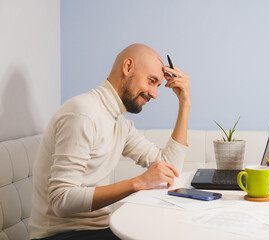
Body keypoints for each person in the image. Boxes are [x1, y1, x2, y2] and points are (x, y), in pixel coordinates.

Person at [29, 44, 191, 240]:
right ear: (128, 67)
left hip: (99, 230)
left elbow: (170, 169)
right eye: (151, 81)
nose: (154, 94)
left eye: (157, 85)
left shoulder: (119, 123)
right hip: (62, 235)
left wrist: (184, 103)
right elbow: (61, 200)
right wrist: (138, 183)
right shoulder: (83, 113)